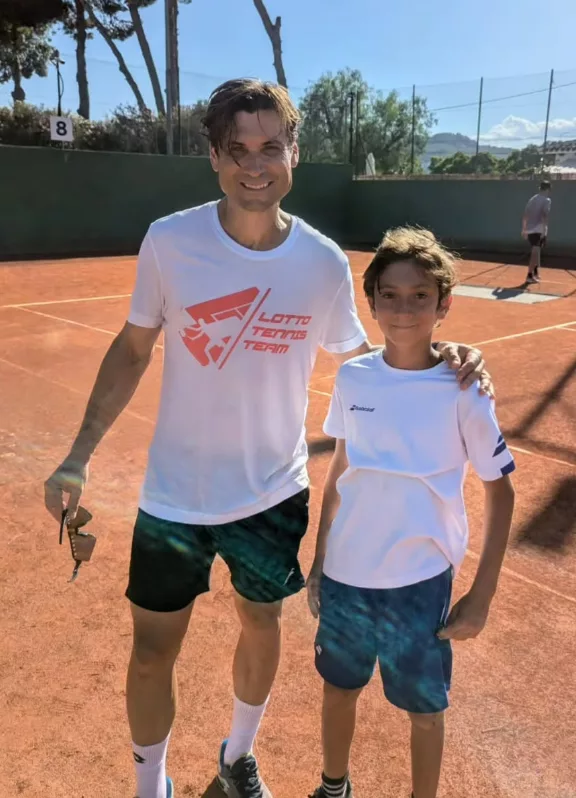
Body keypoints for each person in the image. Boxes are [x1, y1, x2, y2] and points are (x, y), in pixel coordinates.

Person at [44, 80, 491, 798]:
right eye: (238, 150)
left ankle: (236, 758)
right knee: (153, 650)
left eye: (271, 148)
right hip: (174, 496)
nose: (256, 166)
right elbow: (131, 350)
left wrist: (449, 356)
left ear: (294, 153)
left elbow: (366, 363)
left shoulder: (319, 262)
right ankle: (149, 786)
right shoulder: (170, 240)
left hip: (272, 495)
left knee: (262, 626)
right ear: (214, 158)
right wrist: (76, 456)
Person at [307, 226, 515, 798]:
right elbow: (341, 469)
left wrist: (482, 596)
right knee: (339, 688)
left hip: (420, 583)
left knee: (424, 709)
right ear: (371, 303)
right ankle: (333, 786)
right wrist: (320, 560)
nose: (404, 308)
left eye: (420, 295)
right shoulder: (353, 377)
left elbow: (502, 491)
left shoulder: (465, 388)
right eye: (390, 295)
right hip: (347, 576)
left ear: (444, 304)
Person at [522, 180, 552, 283]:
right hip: (538, 229)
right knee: (535, 252)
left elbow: (526, 215)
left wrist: (524, 229)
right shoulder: (547, 200)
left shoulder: (532, 199)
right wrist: (544, 231)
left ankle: (535, 273)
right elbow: (544, 216)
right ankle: (529, 275)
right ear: (548, 189)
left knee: (536, 251)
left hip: (530, 229)